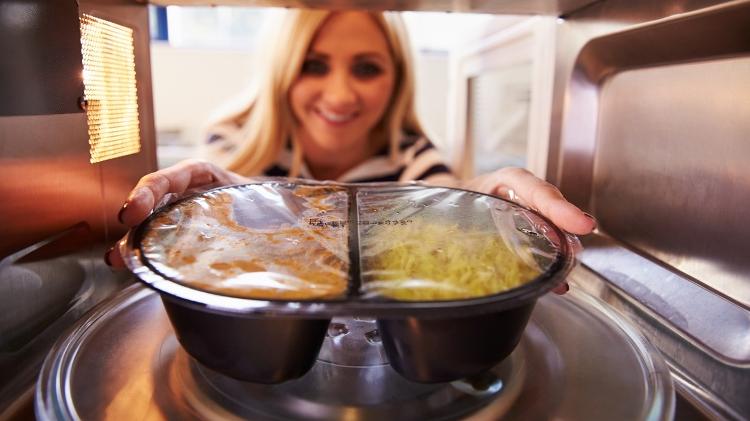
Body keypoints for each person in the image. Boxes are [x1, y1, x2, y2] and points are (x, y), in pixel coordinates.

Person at [105, 9, 595, 271]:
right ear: (282, 71)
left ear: (397, 79)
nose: (339, 96)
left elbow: (447, 201)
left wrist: (486, 211)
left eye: (366, 68)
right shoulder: (231, 144)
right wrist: (211, 214)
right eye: (314, 65)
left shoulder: (413, 160)